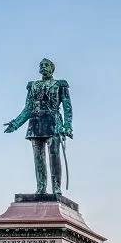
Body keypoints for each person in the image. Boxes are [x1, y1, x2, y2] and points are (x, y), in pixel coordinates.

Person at [4, 58, 73, 195]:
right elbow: (28, 109)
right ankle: (41, 187)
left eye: (46, 65)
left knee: (54, 156)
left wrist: (67, 126)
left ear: (52, 68)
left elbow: (67, 107)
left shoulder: (60, 85)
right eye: (41, 65)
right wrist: (16, 123)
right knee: (38, 158)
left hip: (53, 123)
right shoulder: (33, 86)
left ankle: (56, 188)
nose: (43, 67)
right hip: (36, 122)